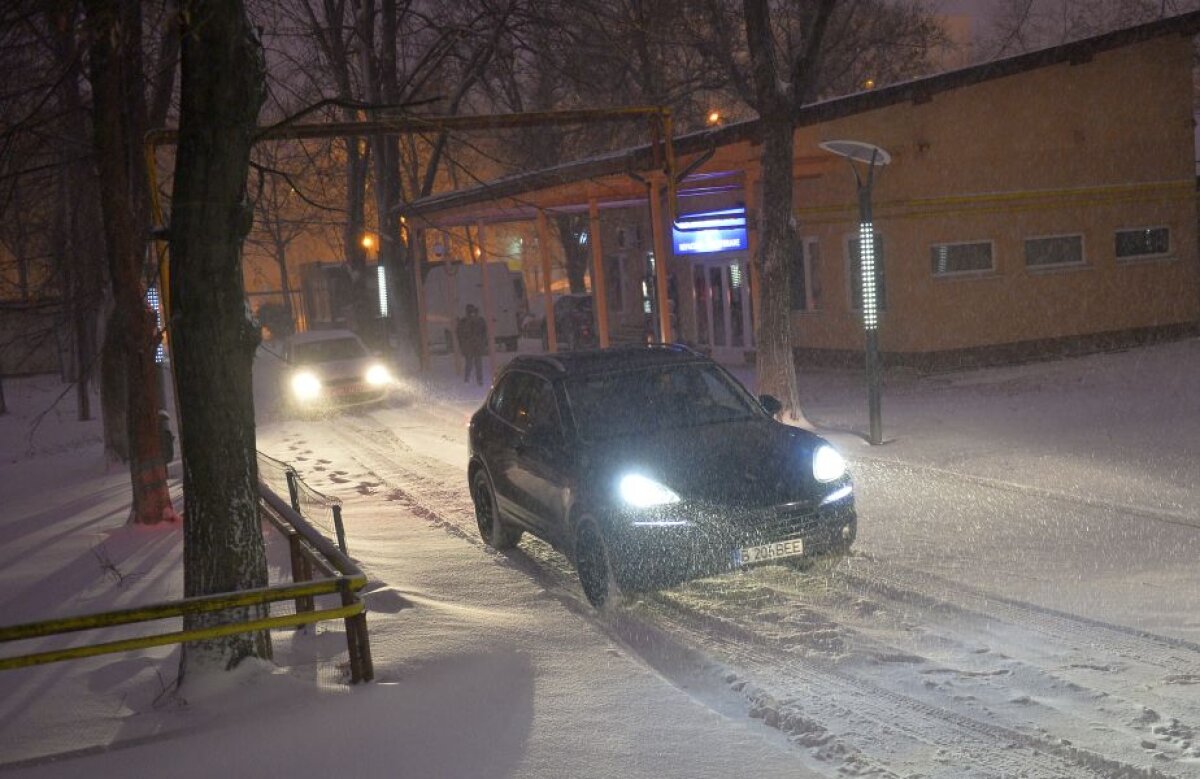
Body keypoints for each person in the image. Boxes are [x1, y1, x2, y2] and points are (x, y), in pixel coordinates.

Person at [456, 304, 488, 385]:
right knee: (471, 363)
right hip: (471, 346)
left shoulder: (478, 321)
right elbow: (460, 334)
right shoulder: (465, 322)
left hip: (474, 345)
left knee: (476, 363)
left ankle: (475, 380)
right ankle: (469, 379)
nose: (471, 314)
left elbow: (484, 332)